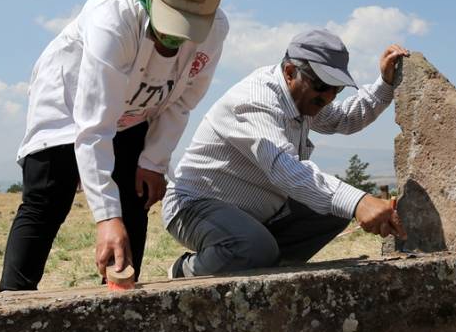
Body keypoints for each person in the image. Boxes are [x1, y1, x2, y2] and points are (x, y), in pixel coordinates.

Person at [0, 0, 228, 291]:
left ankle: (121, 299)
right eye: (168, 24)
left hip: (136, 110)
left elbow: (182, 101)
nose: (173, 39)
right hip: (70, 103)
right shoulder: (114, 16)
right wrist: (106, 218)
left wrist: (153, 160)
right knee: (49, 197)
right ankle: (11, 303)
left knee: (134, 198)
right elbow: (94, 126)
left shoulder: (215, 30)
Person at [162, 29, 407, 278]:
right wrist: (358, 201)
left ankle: (269, 271)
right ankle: (185, 271)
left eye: (337, 89)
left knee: (332, 211)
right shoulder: (256, 102)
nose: (329, 96)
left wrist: (385, 84)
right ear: (290, 72)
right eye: (323, 86)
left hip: (256, 211)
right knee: (255, 247)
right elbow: (285, 168)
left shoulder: (303, 96)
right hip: (193, 206)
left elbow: (344, 119)